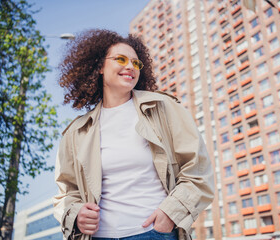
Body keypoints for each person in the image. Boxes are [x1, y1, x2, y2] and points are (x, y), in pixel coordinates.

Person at [53, 29, 214, 240]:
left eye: (136, 63)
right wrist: (76, 214)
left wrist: (170, 214)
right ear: (99, 66)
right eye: (120, 59)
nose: (130, 66)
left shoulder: (163, 107)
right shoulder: (76, 132)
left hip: (154, 234)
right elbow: (66, 193)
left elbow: (198, 170)